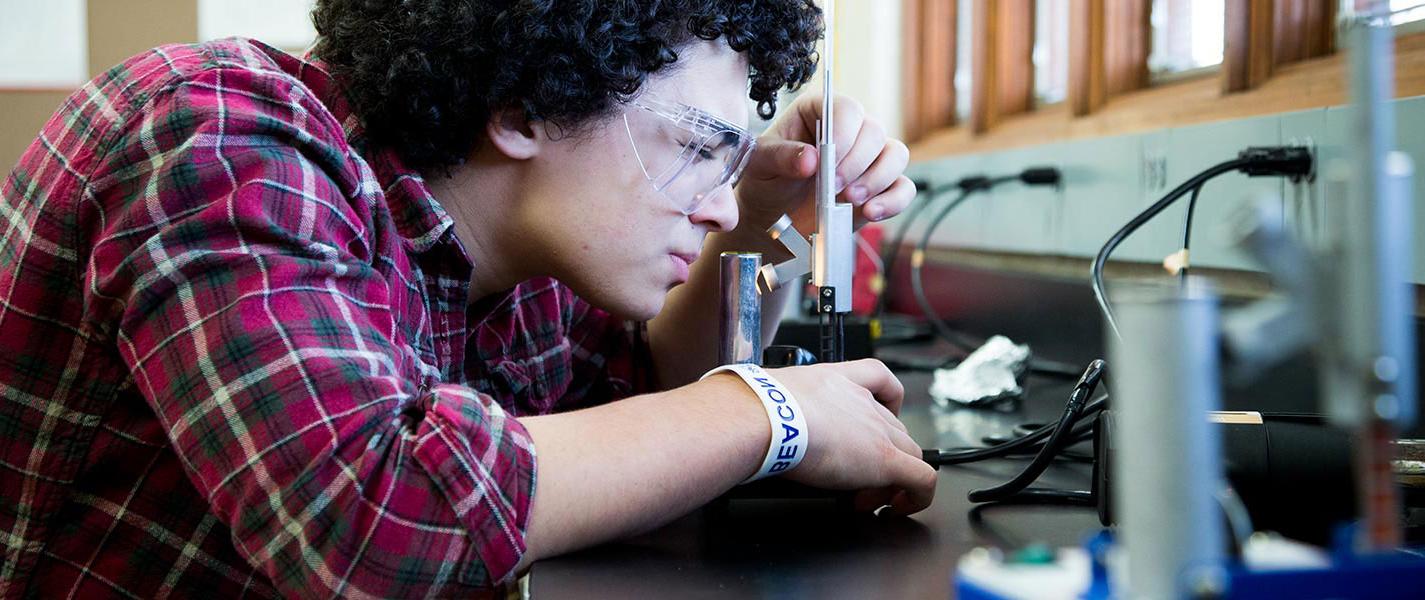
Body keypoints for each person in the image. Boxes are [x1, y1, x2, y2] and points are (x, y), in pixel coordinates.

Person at [0, 1, 934, 597]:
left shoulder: (515, 242)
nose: (719, 200)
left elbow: (633, 411)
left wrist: (773, 200)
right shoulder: (213, 135)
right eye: (697, 148)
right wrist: (773, 412)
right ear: (526, 105)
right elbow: (366, 519)